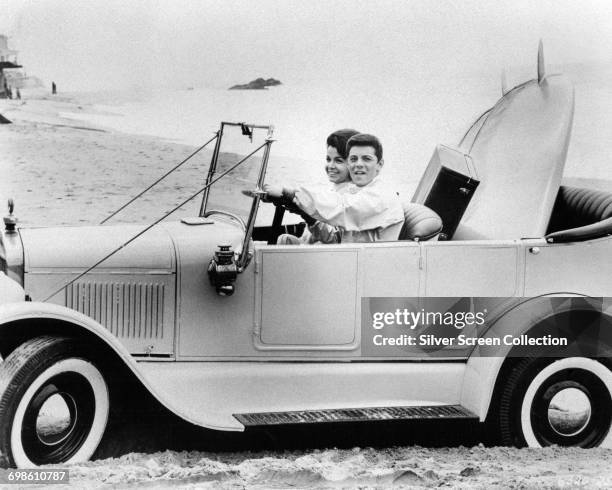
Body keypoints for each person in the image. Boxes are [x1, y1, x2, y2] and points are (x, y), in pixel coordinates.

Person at [266, 133, 404, 243]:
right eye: (353, 159)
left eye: (366, 159)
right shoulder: (357, 192)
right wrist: (306, 215)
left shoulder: (382, 195)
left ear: (379, 164)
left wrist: (290, 192)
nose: (358, 164)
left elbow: (342, 207)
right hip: (349, 259)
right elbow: (338, 238)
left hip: (367, 268)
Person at [276, 128, 360, 244]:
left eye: (338, 161)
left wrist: (309, 218)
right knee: (283, 240)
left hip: (328, 255)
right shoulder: (331, 191)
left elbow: (336, 239)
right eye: (328, 159)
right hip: (310, 247)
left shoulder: (352, 197)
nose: (331, 166)